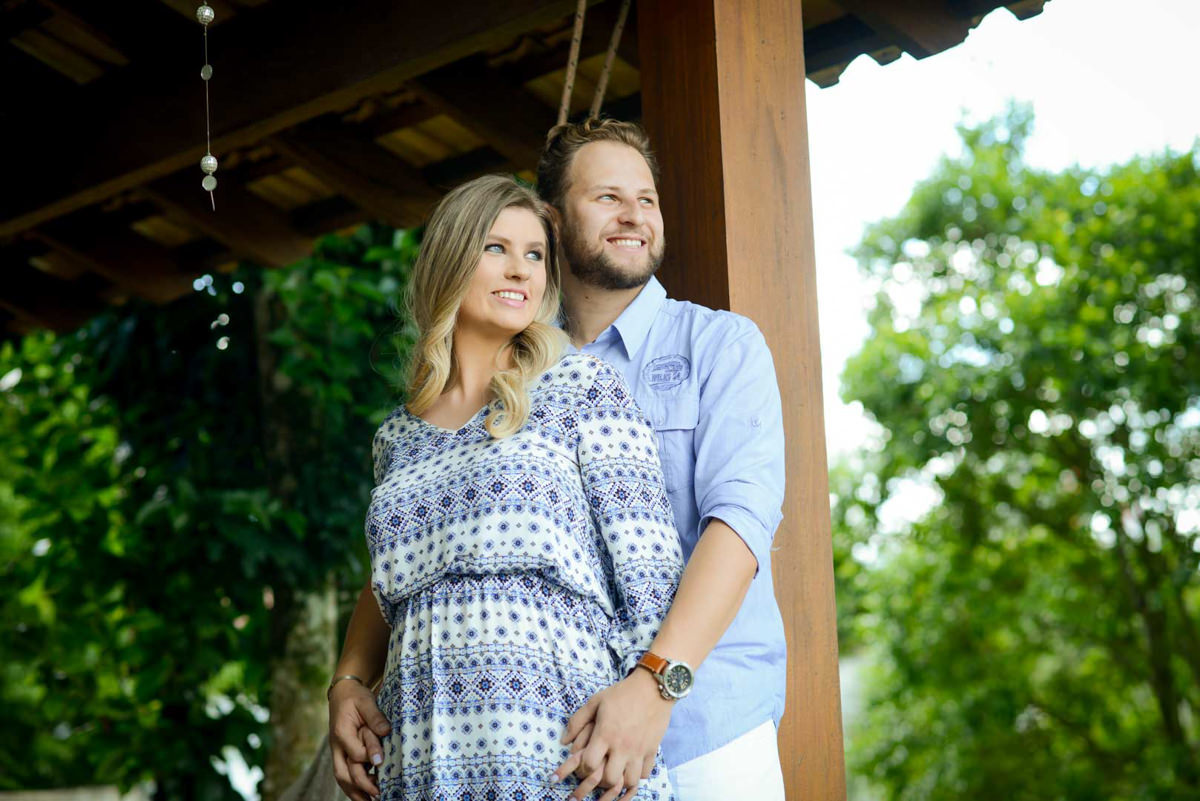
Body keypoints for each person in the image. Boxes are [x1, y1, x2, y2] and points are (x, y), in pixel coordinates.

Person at [327, 174, 683, 801]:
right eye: (495, 248)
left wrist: (648, 698)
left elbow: (651, 576)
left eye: (535, 254)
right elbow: (391, 584)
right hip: (423, 754)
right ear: (449, 260)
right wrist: (347, 681)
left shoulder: (581, 388)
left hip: (556, 750)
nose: (520, 270)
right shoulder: (396, 439)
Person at [536, 119, 788, 800]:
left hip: (707, 735)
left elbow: (739, 526)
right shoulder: (515, 375)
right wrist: (354, 676)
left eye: (646, 200)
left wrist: (655, 684)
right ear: (553, 223)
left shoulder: (722, 346)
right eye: (607, 198)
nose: (633, 216)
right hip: (558, 749)